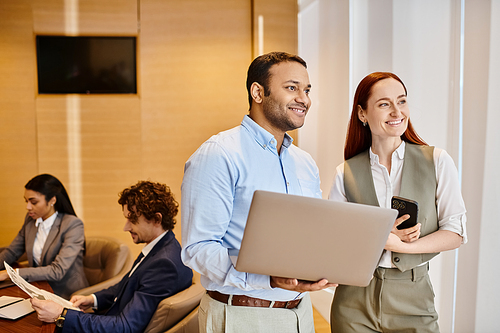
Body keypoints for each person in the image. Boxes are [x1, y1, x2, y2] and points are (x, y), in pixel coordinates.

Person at [181, 51, 336, 333]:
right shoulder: (219, 154)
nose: (304, 98)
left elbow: (309, 235)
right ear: (258, 92)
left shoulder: (304, 163)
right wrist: (268, 279)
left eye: (307, 89)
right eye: (292, 88)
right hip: (241, 315)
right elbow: (197, 249)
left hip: (300, 314)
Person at [328, 72, 467, 332]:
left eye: (401, 101)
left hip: (414, 296)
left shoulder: (437, 161)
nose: (397, 111)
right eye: (384, 104)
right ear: (362, 114)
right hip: (353, 300)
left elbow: (455, 232)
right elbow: (335, 244)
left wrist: (398, 245)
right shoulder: (344, 173)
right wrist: (379, 235)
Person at [31, 180, 193, 333]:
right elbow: (126, 286)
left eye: (132, 219)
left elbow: (125, 327)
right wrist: (93, 299)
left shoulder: (165, 264)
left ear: (157, 219)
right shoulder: (162, 247)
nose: (126, 227)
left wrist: (62, 315)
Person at [0, 174, 88, 299]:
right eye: (27, 201)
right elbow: (12, 252)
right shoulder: (31, 220)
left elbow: (57, 271)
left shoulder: (72, 224)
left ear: (52, 200)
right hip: (37, 288)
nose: (28, 207)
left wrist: (11, 274)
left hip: (66, 294)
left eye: (34, 202)